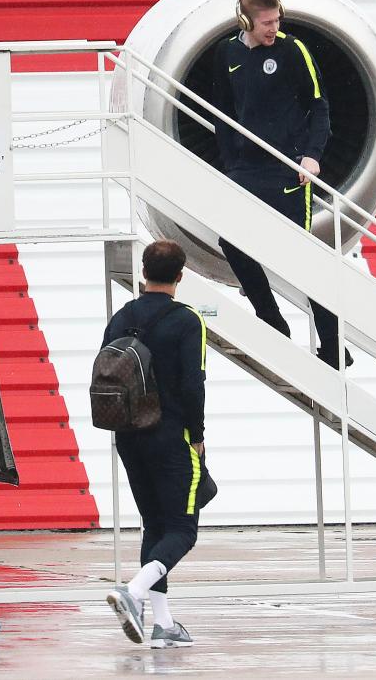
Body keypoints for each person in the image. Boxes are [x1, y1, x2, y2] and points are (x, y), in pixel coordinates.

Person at [212, 0, 350, 369]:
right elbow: (221, 114)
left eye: (277, 21)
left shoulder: (293, 50)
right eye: (266, 23)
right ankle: (271, 321)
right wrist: (228, 163)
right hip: (244, 168)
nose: (273, 28)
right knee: (233, 242)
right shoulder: (228, 54)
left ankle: (334, 345)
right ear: (246, 21)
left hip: (289, 167)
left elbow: (319, 106)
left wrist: (312, 156)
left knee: (300, 257)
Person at [104, 240, 207, 649]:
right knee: (183, 528)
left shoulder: (121, 317)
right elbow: (192, 385)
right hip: (171, 434)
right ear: (181, 276)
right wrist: (197, 436)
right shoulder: (187, 320)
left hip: (129, 434)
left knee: (156, 524)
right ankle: (135, 592)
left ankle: (163, 623)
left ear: (143, 271)